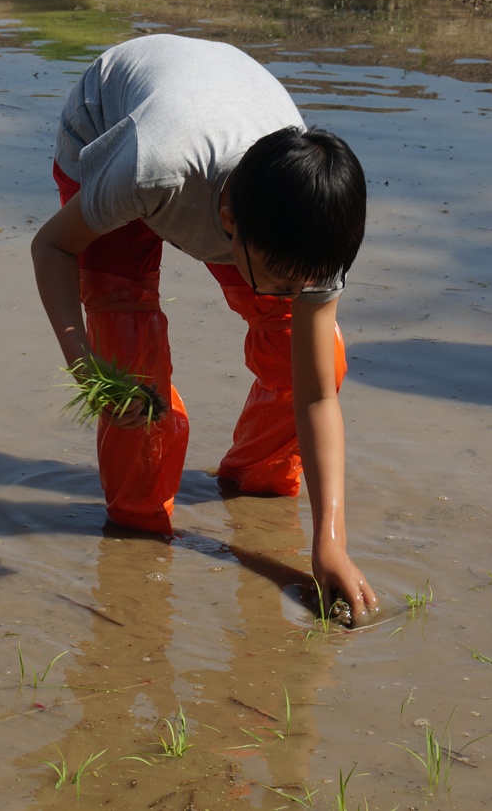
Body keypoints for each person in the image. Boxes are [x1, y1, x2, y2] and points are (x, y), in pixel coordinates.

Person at [30, 34, 378, 622]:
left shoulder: (313, 229)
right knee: (134, 379)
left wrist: (330, 542)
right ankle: (137, 535)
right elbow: (52, 247)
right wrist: (86, 365)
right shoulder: (149, 171)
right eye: (279, 280)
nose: (295, 297)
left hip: (217, 119)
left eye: (306, 286)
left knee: (319, 359)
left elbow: (317, 392)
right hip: (109, 130)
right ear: (226, 226)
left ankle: (255, 481)